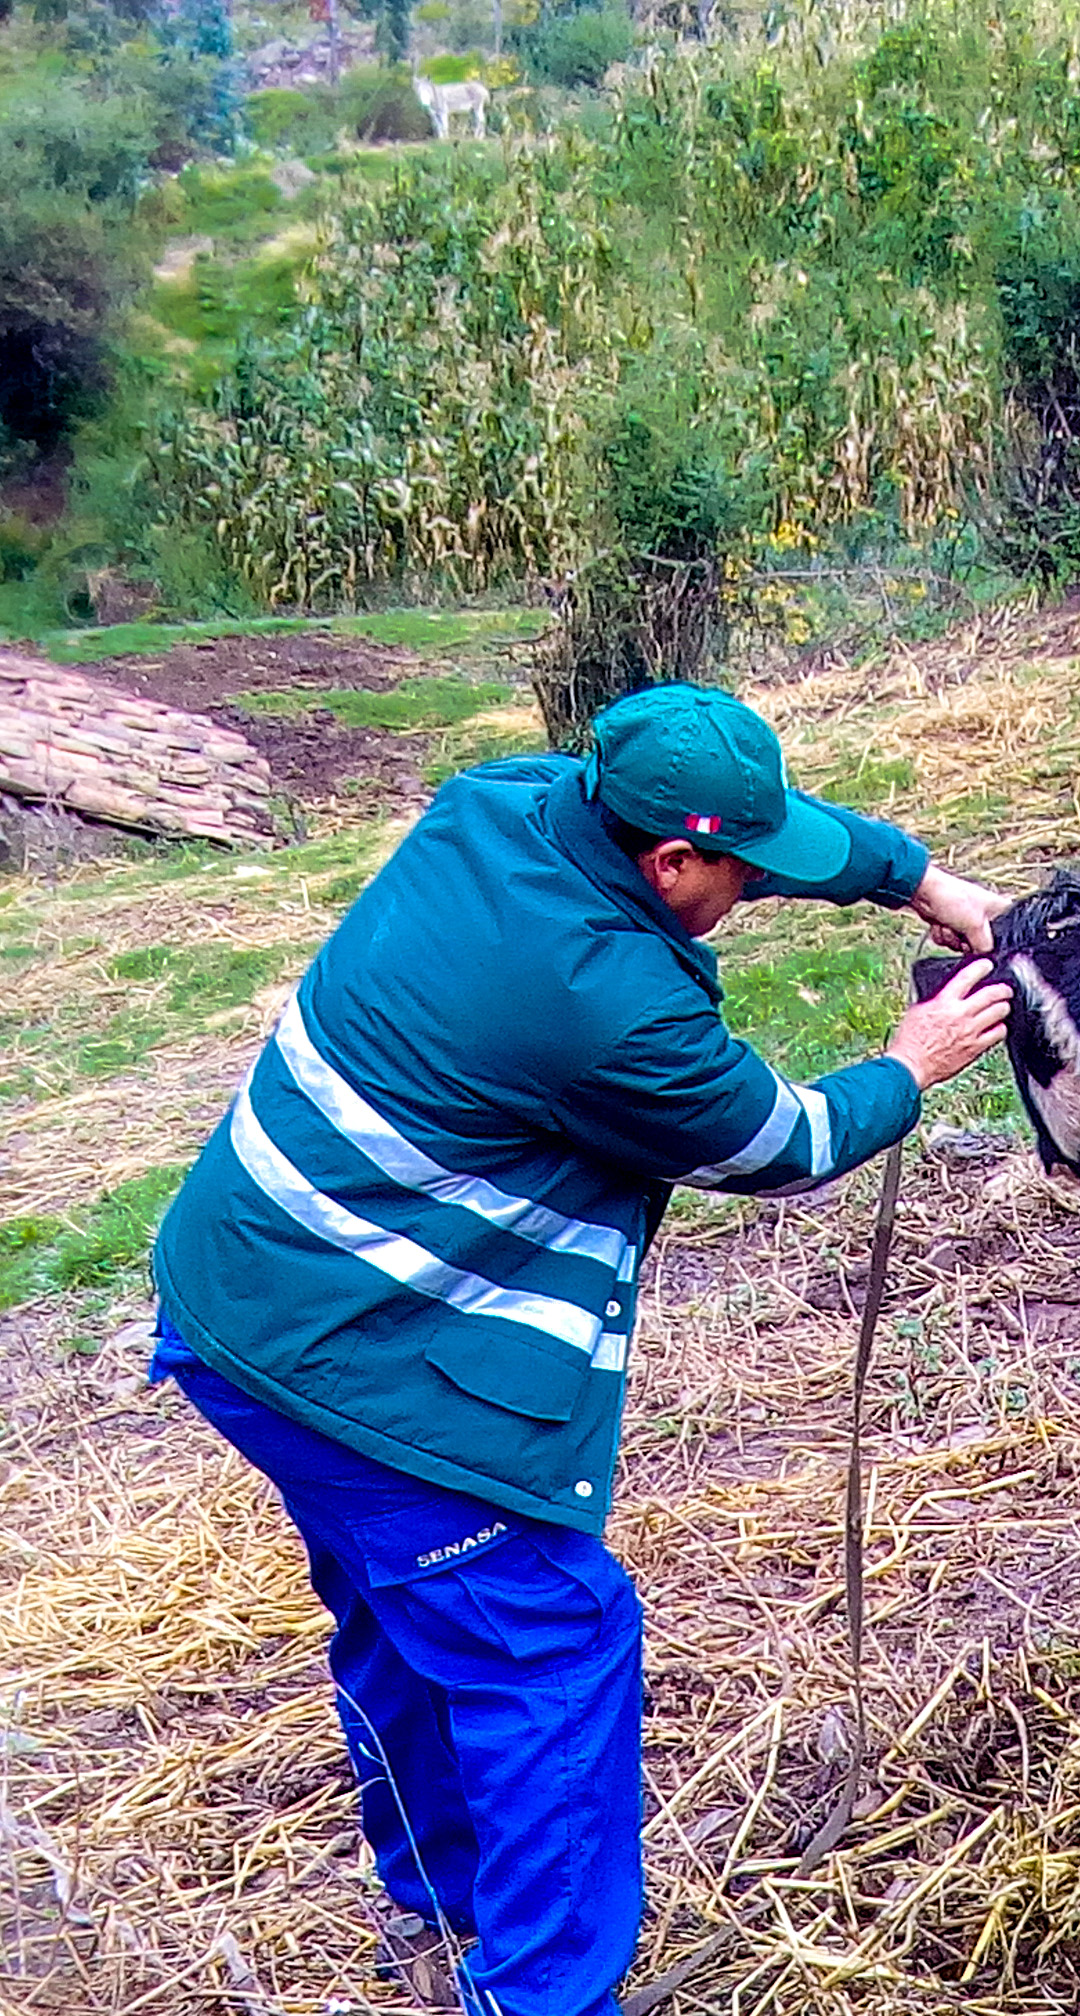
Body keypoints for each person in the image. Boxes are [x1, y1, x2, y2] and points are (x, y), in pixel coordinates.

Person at [146, 684, 1015, 2015]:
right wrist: (912, 1061)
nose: (755, 886)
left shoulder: (508, 802)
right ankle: (543, 1994)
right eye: (742, 870)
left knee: (402, 1620)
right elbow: (777, 1142)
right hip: (351, 1359)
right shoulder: (602, 1007)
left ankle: (433, 1908)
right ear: (671, 863)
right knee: (549, 1646)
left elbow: (744, 835)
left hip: (237, 1295)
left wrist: (915, 878)